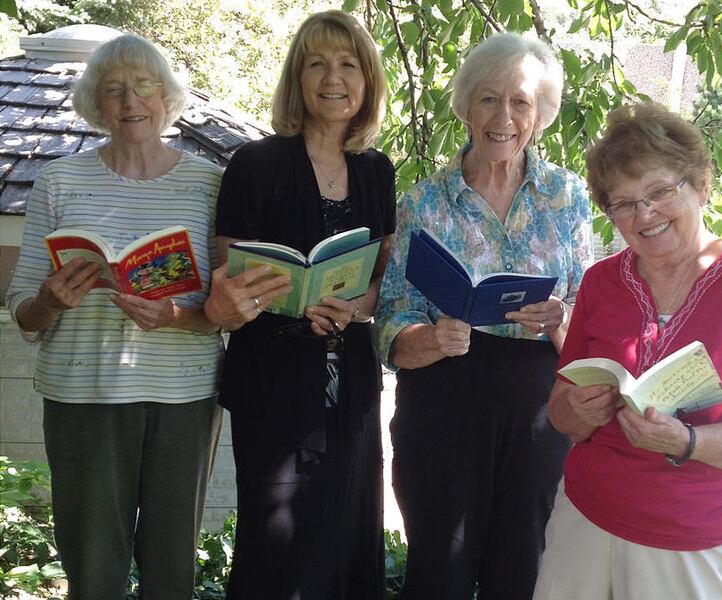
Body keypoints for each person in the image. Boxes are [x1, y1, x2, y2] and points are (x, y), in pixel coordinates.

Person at [533, 102, 722, 600]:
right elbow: (561, 415)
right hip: (586, 518)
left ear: (701, 185)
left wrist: (686, 443)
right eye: (624, 203)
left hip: (696, 539)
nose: (645, 215)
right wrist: (578, 409)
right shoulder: (602, 281)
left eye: (659, 192)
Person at [374, 32, 593, 600]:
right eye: (489, 99)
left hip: (538, 408)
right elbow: (391, 318)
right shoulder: (423, 202)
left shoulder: (567, 197)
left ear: (540, 114)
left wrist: (558, 319)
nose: (504, 117)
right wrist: (430, 337)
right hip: (443, 401)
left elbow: (590, 320)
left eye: (520, 101)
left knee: (523, 567)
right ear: (466, 107)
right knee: (437, 572)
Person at [5, 34, 224, 600]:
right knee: (93, 568)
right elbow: (24, 310)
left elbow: (225, 307)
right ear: (95, 103)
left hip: (184, 395)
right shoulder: (59, 180)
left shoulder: (208, 183)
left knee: (170, 568)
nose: (132, 101)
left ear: (166, 94)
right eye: (114, 90)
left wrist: (176, 314)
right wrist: (50, 301)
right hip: (83, 396)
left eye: (145, 86)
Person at [202, 10, 395, 600]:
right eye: (317, 63)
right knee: (276, 546)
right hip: (271, 383)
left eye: (347, 64)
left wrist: (357, 305)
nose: (332, 78)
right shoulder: (254, 165)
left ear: (366, 82)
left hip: (350, 383)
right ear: (297, 77)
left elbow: (383, 280)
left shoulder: (376, 170)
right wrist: (272, 299)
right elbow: (226, 279)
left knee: (346, 530)